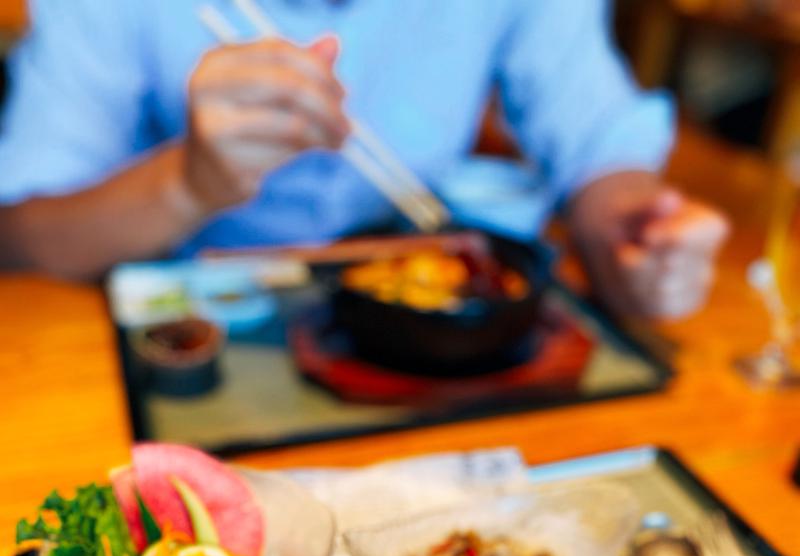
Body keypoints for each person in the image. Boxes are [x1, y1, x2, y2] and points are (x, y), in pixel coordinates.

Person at [0, 0, 728, 318]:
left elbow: (597, 138)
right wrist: (189, 182)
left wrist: (636, 235)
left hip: (419, 326)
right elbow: (24, 232)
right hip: (189, 326)